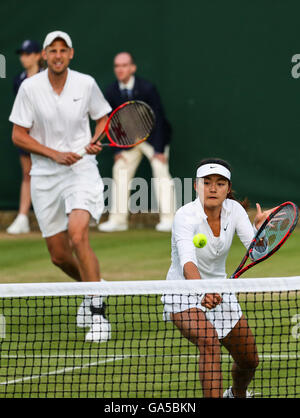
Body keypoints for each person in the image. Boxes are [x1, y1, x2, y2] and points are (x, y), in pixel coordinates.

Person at [9, 30, 112, 343]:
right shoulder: (29, 88)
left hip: (81, 170)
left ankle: (98, 313)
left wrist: (95, 142)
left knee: (78, 234)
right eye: (51, 50)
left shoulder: (86, 83)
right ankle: (94, 285)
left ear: (71, 54)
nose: (57, 55)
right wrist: (54, 154)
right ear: (44, 55)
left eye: (62, 50)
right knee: (58, 255)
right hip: (45, 175)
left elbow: (104, 118)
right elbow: (18, 135)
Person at [162, 158, 276, 398]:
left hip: (220, 292)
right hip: (183, 293)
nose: (213, 188)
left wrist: (261, 231)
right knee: (209, 341)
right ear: (196, 186)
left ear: (228, 188)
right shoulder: (185, 216)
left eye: (220, 183)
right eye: (207, 182)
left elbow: (255, 251)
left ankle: (236, 394)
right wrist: (202, 292)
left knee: (249, 360)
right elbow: (187, 263)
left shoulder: (234, 211)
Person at [99, 52, 174, 233]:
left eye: (124, 65)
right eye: (117, 66)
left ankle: (170, 219)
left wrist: (159, 150)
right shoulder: (111, 91)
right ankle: (118, 220)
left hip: (153, 138)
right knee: (120, 171)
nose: (120, 69)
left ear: (132, 68)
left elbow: (159, 119)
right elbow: (111, 123)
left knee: (160, 169)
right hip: (128, 141)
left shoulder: (147, 88)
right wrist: (117, 151)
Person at [7, 40, 44, 234]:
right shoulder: (18, 79)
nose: (24, 58)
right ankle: (22, 217)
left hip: (47, 135)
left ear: (38, 55)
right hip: (27, 134)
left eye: (28, 54)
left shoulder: (47, 77)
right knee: (28, 173)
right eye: (22, 54)